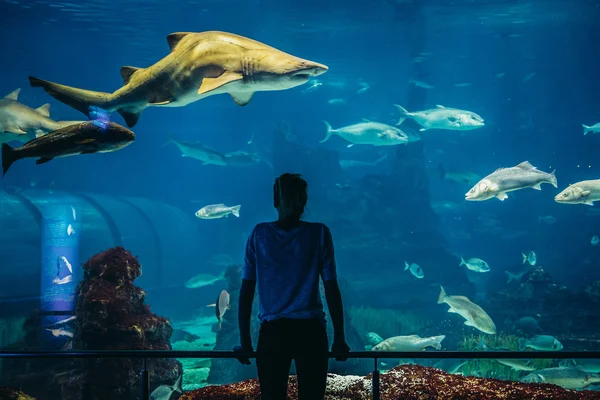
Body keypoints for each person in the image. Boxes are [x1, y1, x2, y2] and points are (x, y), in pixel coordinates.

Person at [234, 173, 350, 400]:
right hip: (311, 332)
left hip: (273, 333)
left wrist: (245, 341)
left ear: (275, 201)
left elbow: (246, 291)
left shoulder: (260, 234)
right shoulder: (319, 233)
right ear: (304, 202)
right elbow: (331, 289)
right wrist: (339, 338)